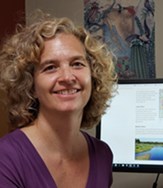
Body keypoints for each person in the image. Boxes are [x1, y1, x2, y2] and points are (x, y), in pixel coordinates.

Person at [0, 11, 117, 188]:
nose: (67, 77)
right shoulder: (6, 158)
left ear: (94, 76)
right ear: (30, 84)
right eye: (50, 67)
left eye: (77, 64)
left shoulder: (102, 155)